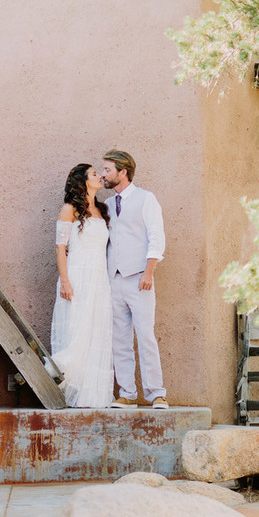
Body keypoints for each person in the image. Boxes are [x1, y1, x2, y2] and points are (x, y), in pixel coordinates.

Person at [101, 150, 168, 409]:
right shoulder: (106, 205)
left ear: (123, 172)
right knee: (120, 338)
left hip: (139, 279)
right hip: (114, 280)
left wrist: (148, 272)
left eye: (107, 170)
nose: (103, 174)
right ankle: (127, 393)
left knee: (145, 335)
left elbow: (156, 237)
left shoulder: (146, 199)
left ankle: (156, 393)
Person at [48, 163, 113, 408]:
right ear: (83, 181)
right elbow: (60, 247)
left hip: (99, 278)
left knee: (95, 331)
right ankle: (59, 376)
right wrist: (65, 281)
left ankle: (91, 395)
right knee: (77, 330)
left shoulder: (101, 209)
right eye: (94, 174)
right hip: (77, 274)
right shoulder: (70, 209)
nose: (99, 176)